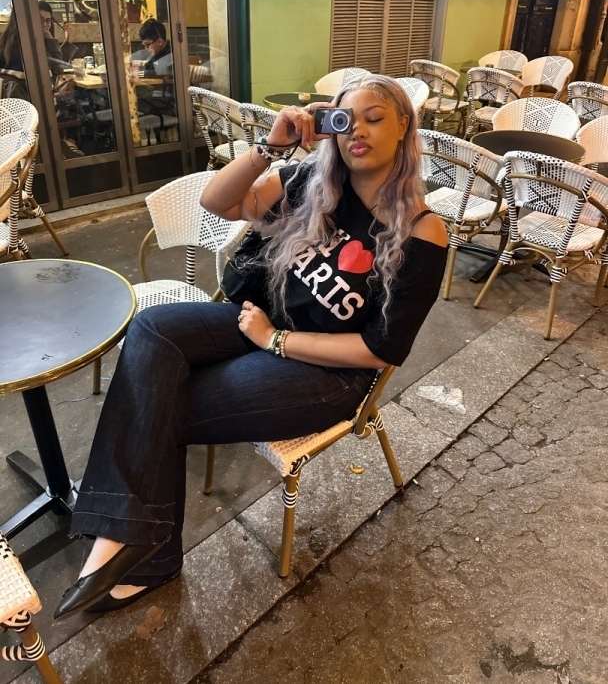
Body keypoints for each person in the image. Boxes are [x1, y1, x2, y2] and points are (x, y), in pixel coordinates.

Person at [54, 74, 448, 621]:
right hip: (257, 323)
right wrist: (271, 145)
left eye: (374, 118)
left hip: (325, 373)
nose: (356, 131)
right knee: (152, 330)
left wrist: (276, 340)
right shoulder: (310, 181)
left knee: (163, 406)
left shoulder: (422, 231)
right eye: (343, 120)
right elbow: (217, 202)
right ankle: (134, 543)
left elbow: (381, 350)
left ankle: (134, 551)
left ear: (404, 125)